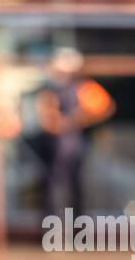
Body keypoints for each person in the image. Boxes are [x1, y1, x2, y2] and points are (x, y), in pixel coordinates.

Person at [36, 48, 115, 216]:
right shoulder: (53, 88)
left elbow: (104, 108)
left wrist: (75, 121)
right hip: (59, 143)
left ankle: (74, 227)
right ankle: (58, 228)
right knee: (57, 186)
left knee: (69, 186)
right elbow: (46, 117)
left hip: (70, 143)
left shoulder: (82, 88)